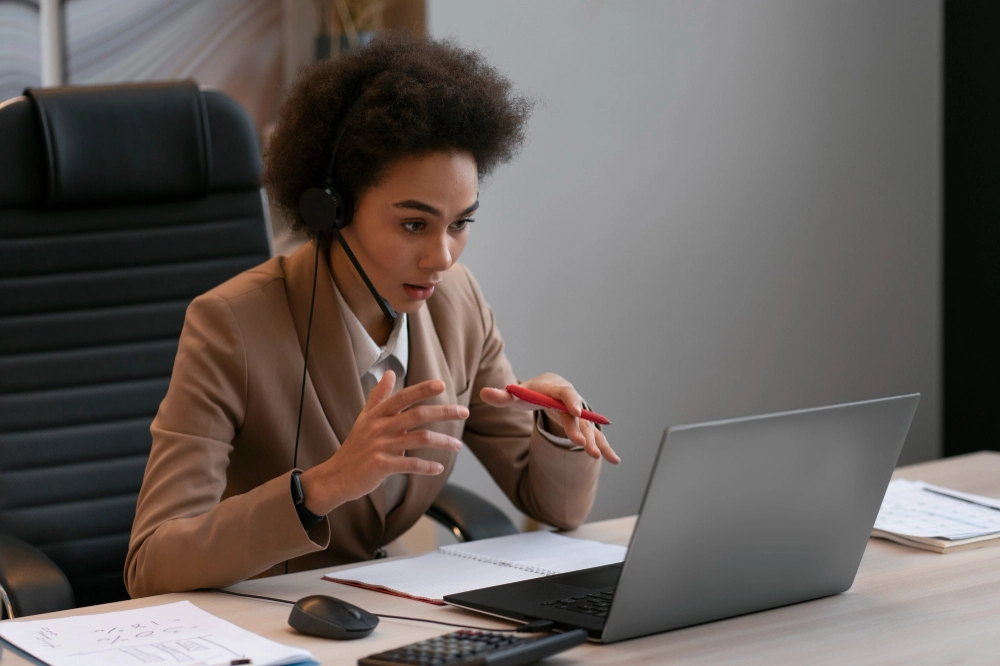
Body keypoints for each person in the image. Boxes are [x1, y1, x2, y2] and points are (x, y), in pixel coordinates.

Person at [125, 35, 619, 598]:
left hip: (381, 619)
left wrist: (556, 430)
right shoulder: (229, 326)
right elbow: (152, 565)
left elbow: (554, 508)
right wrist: (321, 487)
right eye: (414, 225)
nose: (443, 257)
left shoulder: (457, 305)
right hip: (262, 629)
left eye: (460, 224)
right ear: (331, 207)